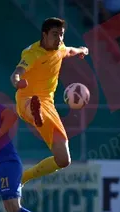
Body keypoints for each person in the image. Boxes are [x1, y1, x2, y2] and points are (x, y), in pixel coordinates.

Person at [9, 17, 89, 185]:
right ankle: (34, 111)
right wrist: (17, 82)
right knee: (32, 105)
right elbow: (17, 72)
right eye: (55, 34)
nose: (59, 38)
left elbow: (69, 51)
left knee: (63, 160)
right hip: (26, 98)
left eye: (61, 34)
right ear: (44, 35)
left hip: (47, 104)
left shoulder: (59, 48)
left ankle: (24, 177)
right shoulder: (32, 53)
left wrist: (82, 50)